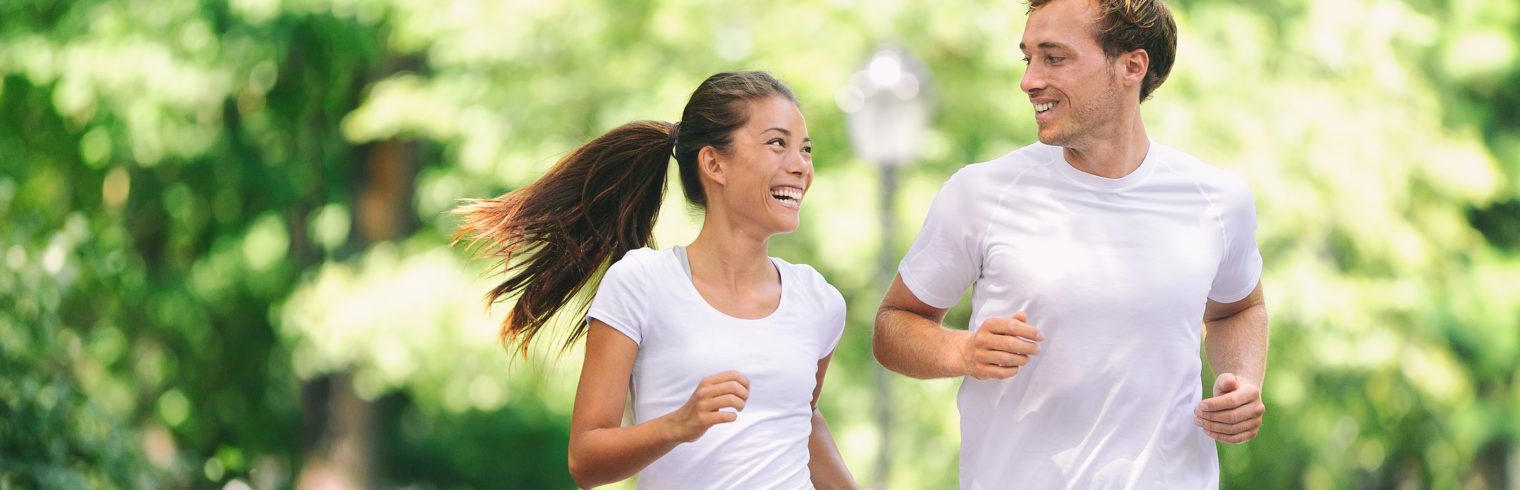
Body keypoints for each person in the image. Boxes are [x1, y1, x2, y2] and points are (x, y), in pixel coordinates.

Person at [870, 0, 1269, 487]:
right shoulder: (981, 194)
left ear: (1131, 66)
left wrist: (1243, 382)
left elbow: (1237, 309)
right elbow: (893, 325)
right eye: (1028, 58)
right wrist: (963, 350)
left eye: (1054, 58)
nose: (1029, 80)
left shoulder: (1217, 200)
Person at [455, 71, 856, 489]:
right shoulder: (641, 284)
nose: (800, 166)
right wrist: (678, 424)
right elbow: (585, 461)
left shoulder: (818, 300)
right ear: (714, 163)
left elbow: (801, 421)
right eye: (778, 143)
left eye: (805, 150)